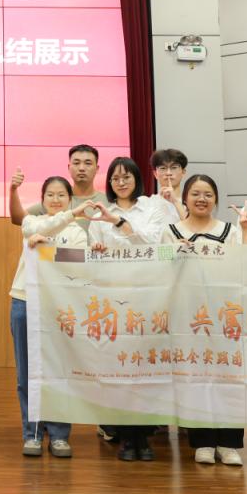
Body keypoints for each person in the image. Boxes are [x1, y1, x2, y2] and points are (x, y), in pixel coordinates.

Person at [159, 174, 247, 466]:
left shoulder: (229, 231)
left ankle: (229, 443)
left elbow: (246, 266)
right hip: (187, 316)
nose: (202, 199)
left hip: (224, 316)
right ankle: (202, 442)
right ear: (185, 198)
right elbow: (159, 268)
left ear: (216, 199)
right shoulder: (170, 231)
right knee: (195, 378)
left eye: (208, 194)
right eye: (196, 194)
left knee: (228, 378)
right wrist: (175, 253)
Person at [86, 156, 166, 462]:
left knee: (144, 368)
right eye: (115, 178)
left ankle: (143, 437)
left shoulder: (151, 207)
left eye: (126, 177)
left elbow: (154, 243)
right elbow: (92, 256)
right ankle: (126, 438)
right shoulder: (99, 214)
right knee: (118, 368)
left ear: (137, 179)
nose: (121, 182)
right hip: (113, 298)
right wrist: (97, 250)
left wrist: (119, 223)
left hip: (147, 297)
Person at [10, 175, 90, 457]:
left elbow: (78, 265)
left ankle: (58, 435)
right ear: (42, 199)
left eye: (61, 195)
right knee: (26, 373)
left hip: (60, 306)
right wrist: (37, 242)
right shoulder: (32, 223)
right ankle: (31, 433)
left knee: (59, 371)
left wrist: (48, 249)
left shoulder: (78, 232)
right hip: (25, 301)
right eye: (50, 195)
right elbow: (42, 229)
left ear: (70, 199)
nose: (56, 200)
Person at [11, 144, 106, 233]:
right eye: (76, 163)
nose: (81, 168)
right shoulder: (57, 200)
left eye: (88, 163)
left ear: (97, 169)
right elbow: (18, 219)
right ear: (69, 167)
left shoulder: (108, 201)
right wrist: (13, 189)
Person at [148, 148, 188, 224]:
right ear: (155, 174)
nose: (168, 173)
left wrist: (176, 201)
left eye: (174, 168)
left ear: (183, 172)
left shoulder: (191, 203)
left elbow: (194, 229)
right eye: (163, 168)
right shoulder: (149, 204)